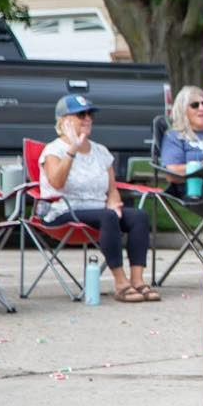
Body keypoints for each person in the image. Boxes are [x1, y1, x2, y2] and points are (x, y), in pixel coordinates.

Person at [39, 95, 158, 303]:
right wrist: (73, 148)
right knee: (108, 217)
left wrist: (114, 201)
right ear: (63, 121)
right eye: (80, 114)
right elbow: (56, 182)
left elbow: (112, 188)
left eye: (90, 114)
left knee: (139, 216)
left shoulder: (101, 151)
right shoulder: (53, 150)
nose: (88, 119)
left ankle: (138, 281)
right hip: (63, 210)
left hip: (98, 210)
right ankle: (121, 284)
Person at [161, 85, 203, 194]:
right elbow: (172, 173)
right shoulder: (175, 136)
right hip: (196, 189)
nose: (201, 108)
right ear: (183, 110)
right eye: (195, 105)